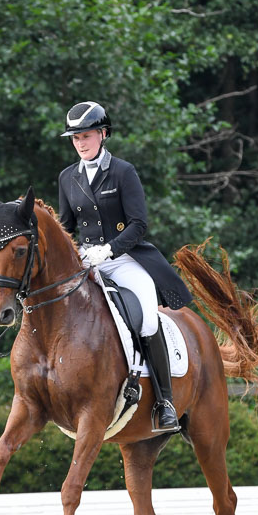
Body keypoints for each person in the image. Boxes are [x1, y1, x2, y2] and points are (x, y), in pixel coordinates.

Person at [58, 101, 193, 432]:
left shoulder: (122, 171)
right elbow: (65, 227)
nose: (80, 143)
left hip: (125, 260)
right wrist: (74, 255)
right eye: (75, 138)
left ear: (102, 134)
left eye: (86, 136)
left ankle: (164, 402)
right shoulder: (67, 177)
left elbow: (138, 224)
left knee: (147, 317)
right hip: (87, 264)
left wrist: (108, 251)